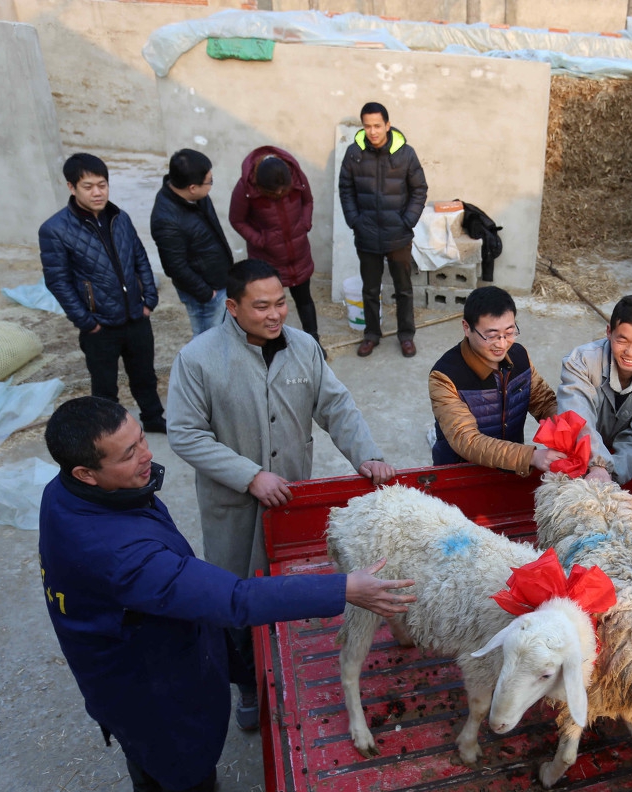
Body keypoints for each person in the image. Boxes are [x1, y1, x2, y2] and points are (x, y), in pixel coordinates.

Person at [38, 395, 414, 792]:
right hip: (144, 671)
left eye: (140, 439)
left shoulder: (66, 494)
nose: (147, 454)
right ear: (86, 472)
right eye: (129, 453)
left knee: (136, 736)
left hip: (108, 652)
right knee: (186, 779)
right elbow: (234, 601)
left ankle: (146, 789)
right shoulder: (120, 554)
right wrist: (342, 588)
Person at [166, 258, 399, 729]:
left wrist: (367, 455)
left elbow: (336, 406)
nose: (274, 315)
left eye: (280, 303)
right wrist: (249, 475)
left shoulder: (304, 348)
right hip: (232, 505)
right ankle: (248, 684)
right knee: (233, 593)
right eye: (261, 306)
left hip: (291, 497)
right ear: (232, 307)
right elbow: (185, 433)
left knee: (285, 582)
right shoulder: (199, 359)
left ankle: (286, 663)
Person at [39, 152, 166, 432]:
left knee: (145, 375)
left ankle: (154, 419)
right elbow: (57, 281)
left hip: (136, 316)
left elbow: (140, 259)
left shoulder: (120, 218)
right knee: (105, 385)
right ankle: (111, 434)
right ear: (71, 187)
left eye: (102, 184)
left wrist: (149, 301)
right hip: (100, 325)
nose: (98, 192)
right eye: (88, 186)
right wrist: (87, 322)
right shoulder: (55, 230)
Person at [429, 285, 565, 475]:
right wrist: (530, 457)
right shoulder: (445, 376)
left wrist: (566, 430)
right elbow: (467, 440)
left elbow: (543, 401)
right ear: (467, 328)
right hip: (462, 473)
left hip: (512, 466)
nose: (502, 344)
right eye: (491, 336)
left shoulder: (519, 356)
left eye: (509, 333)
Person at [556, 294, 632, 486]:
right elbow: (577, 418)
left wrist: (609, 474)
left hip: (621, 469)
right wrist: (597, 464)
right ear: (609, 332)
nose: (630, 352)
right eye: (622, 340)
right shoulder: (581, 361)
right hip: (578, 456)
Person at [339, 101, 427, 358]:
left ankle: (406, 335)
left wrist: (407, 219)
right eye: (367, 126)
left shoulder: (406, 154)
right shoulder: (354, 154)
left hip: (398, 234)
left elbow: (419, 189)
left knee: (403, 289)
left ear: (387, 125)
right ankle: (372, 334)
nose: (373, 131)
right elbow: (346, 189)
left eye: (377, 125)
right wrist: (354, 220)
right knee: (369, 289)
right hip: (366, 233)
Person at [229, 147, 318, 341]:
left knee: (304, 301)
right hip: (267, 258)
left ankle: (314, 342)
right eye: (273, 192)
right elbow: (237, 220)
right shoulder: (246, 188)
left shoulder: (296, 176)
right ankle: (270, 344)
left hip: (298, 253)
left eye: (283, 190)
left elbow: (307, 201)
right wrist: (260, 240)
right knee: (269, 308)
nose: (279, 193)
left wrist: (304, 224)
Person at [150, 148, 233, 337]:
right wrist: (207, 294)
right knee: (208, 342)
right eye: (209, 181)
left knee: (224, 335)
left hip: (219, 282)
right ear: (192, 187)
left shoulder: (196, 197)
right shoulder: (166, 220)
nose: (211, 185)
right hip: (205, 295)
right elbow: (175, 267)